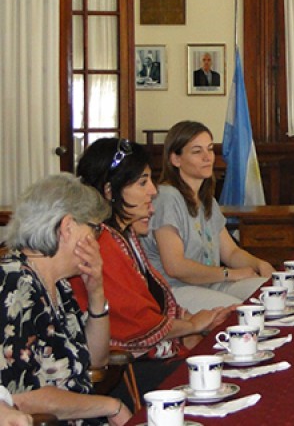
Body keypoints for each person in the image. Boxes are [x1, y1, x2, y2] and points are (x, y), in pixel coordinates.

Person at [72, 138, 231, 360]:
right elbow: (135, 323)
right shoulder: (103, 243)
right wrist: (192, 326)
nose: (153, 191)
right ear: (109, 190)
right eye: (142, 183)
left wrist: (198, 320)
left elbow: (154, 299)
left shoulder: (124, 234)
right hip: (128, 363)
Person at [1, 174, 132, 425]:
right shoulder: (14, 284)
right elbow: (18, 397)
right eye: (95, 229)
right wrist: (110, 406)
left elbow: (96, 362)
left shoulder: (58, 284)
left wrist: (96, 292)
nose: (98, 241)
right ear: (68, 227)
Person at [143, 121, 274, 312]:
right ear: (176, 159)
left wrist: (259, 264)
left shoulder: (207, 200)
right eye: (197, 151)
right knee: (243, 311)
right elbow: (175, 266)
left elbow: (231, 253)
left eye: (210, 149)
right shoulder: (167, 197)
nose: (207, 157)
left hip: (211, 283)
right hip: (175, 289)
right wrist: (229, 274)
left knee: (271, 293)